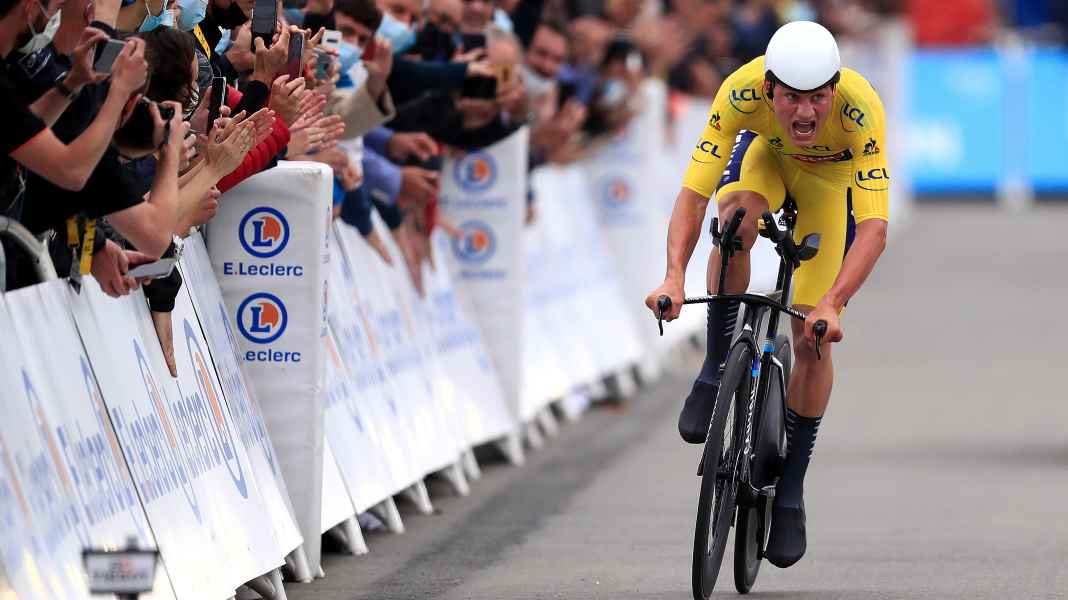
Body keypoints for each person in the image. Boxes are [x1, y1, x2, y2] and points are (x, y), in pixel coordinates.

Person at [644, 21, 889, 568]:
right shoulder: (738, 90)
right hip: (766, 163)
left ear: (834, 90)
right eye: (791, 99)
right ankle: (713, 368)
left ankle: (793, 490)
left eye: (817, 99)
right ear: (769, 89)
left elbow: (873, 230)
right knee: (733, 224)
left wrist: (830, 304)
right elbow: (692, 194)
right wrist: (672, 277)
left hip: (830, 189)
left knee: (813, 340)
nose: (805, 114)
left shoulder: (860, 110)